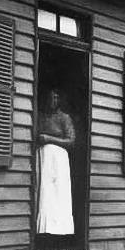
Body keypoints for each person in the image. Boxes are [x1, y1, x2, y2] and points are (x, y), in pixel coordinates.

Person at [36, 88, 75, 237]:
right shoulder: (42, 117)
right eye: (50, 98)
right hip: (44, 158)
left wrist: (49, 139)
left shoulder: (64, 118)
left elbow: (71, 141)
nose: (53, 101)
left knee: (59, 195)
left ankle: (60, 232)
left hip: (59, 161)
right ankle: (44, 231)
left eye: (56, 98)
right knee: (45, 195)